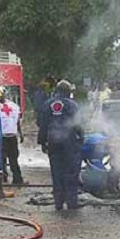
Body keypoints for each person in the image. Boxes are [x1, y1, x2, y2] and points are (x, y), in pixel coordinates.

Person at [38, 80, 83, 210]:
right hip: (69, 142)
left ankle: (58, 202)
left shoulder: (47, 104)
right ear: (68, 92)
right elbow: (78, 123)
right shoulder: (72, 105)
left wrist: (42, 142)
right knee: (71, 172)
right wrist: (81, 138)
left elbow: (42, 124)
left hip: (53, 142)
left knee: (56, 171)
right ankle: (71, 202)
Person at [0, 89, 24, 185]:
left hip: (6, 136)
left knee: (9, 159)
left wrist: (20, 133)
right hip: (9, 136)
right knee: (7, 159)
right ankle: (14, 178)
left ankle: (11, 179)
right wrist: (20, 133)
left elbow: (17, 122)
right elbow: (18, 121)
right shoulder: (14, 106)